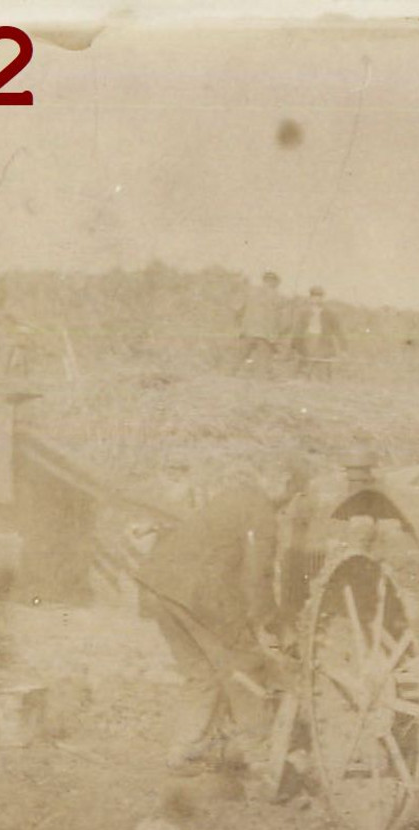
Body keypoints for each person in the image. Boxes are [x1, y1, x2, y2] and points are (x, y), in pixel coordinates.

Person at [136, 456, 310, 776]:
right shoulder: (261, 511)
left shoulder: (231, 497)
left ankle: (186, 750)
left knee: (201, 671)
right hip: (197, 593)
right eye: (296, 496)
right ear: (285, 483)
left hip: (159, 587)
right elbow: (259, 574)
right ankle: (263, 757)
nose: (289, 508)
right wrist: (270, 623)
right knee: (246, 667)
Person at [233, 271, 285, 376]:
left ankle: (231, 372)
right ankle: (260, 377)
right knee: (262, 358)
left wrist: (240, 325)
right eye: (272, 282)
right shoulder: (276, 296)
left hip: (249, 331)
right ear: (274, 282)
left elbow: (238, 309)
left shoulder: (251, 292)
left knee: (241, 354)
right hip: (264, 333)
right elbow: (278, 318)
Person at [291, 285, 347, 379]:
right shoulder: (304, 312)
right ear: (310, 298)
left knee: (322, 368)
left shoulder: (329, 313)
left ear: (322, 298)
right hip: (307, 341)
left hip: (323, 342)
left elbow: (338, 330)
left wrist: (343, 348)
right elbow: (298, 329)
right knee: (305, 367)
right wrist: (294, 345)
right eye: (314, 296)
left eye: (319, 296)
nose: (316, 299)